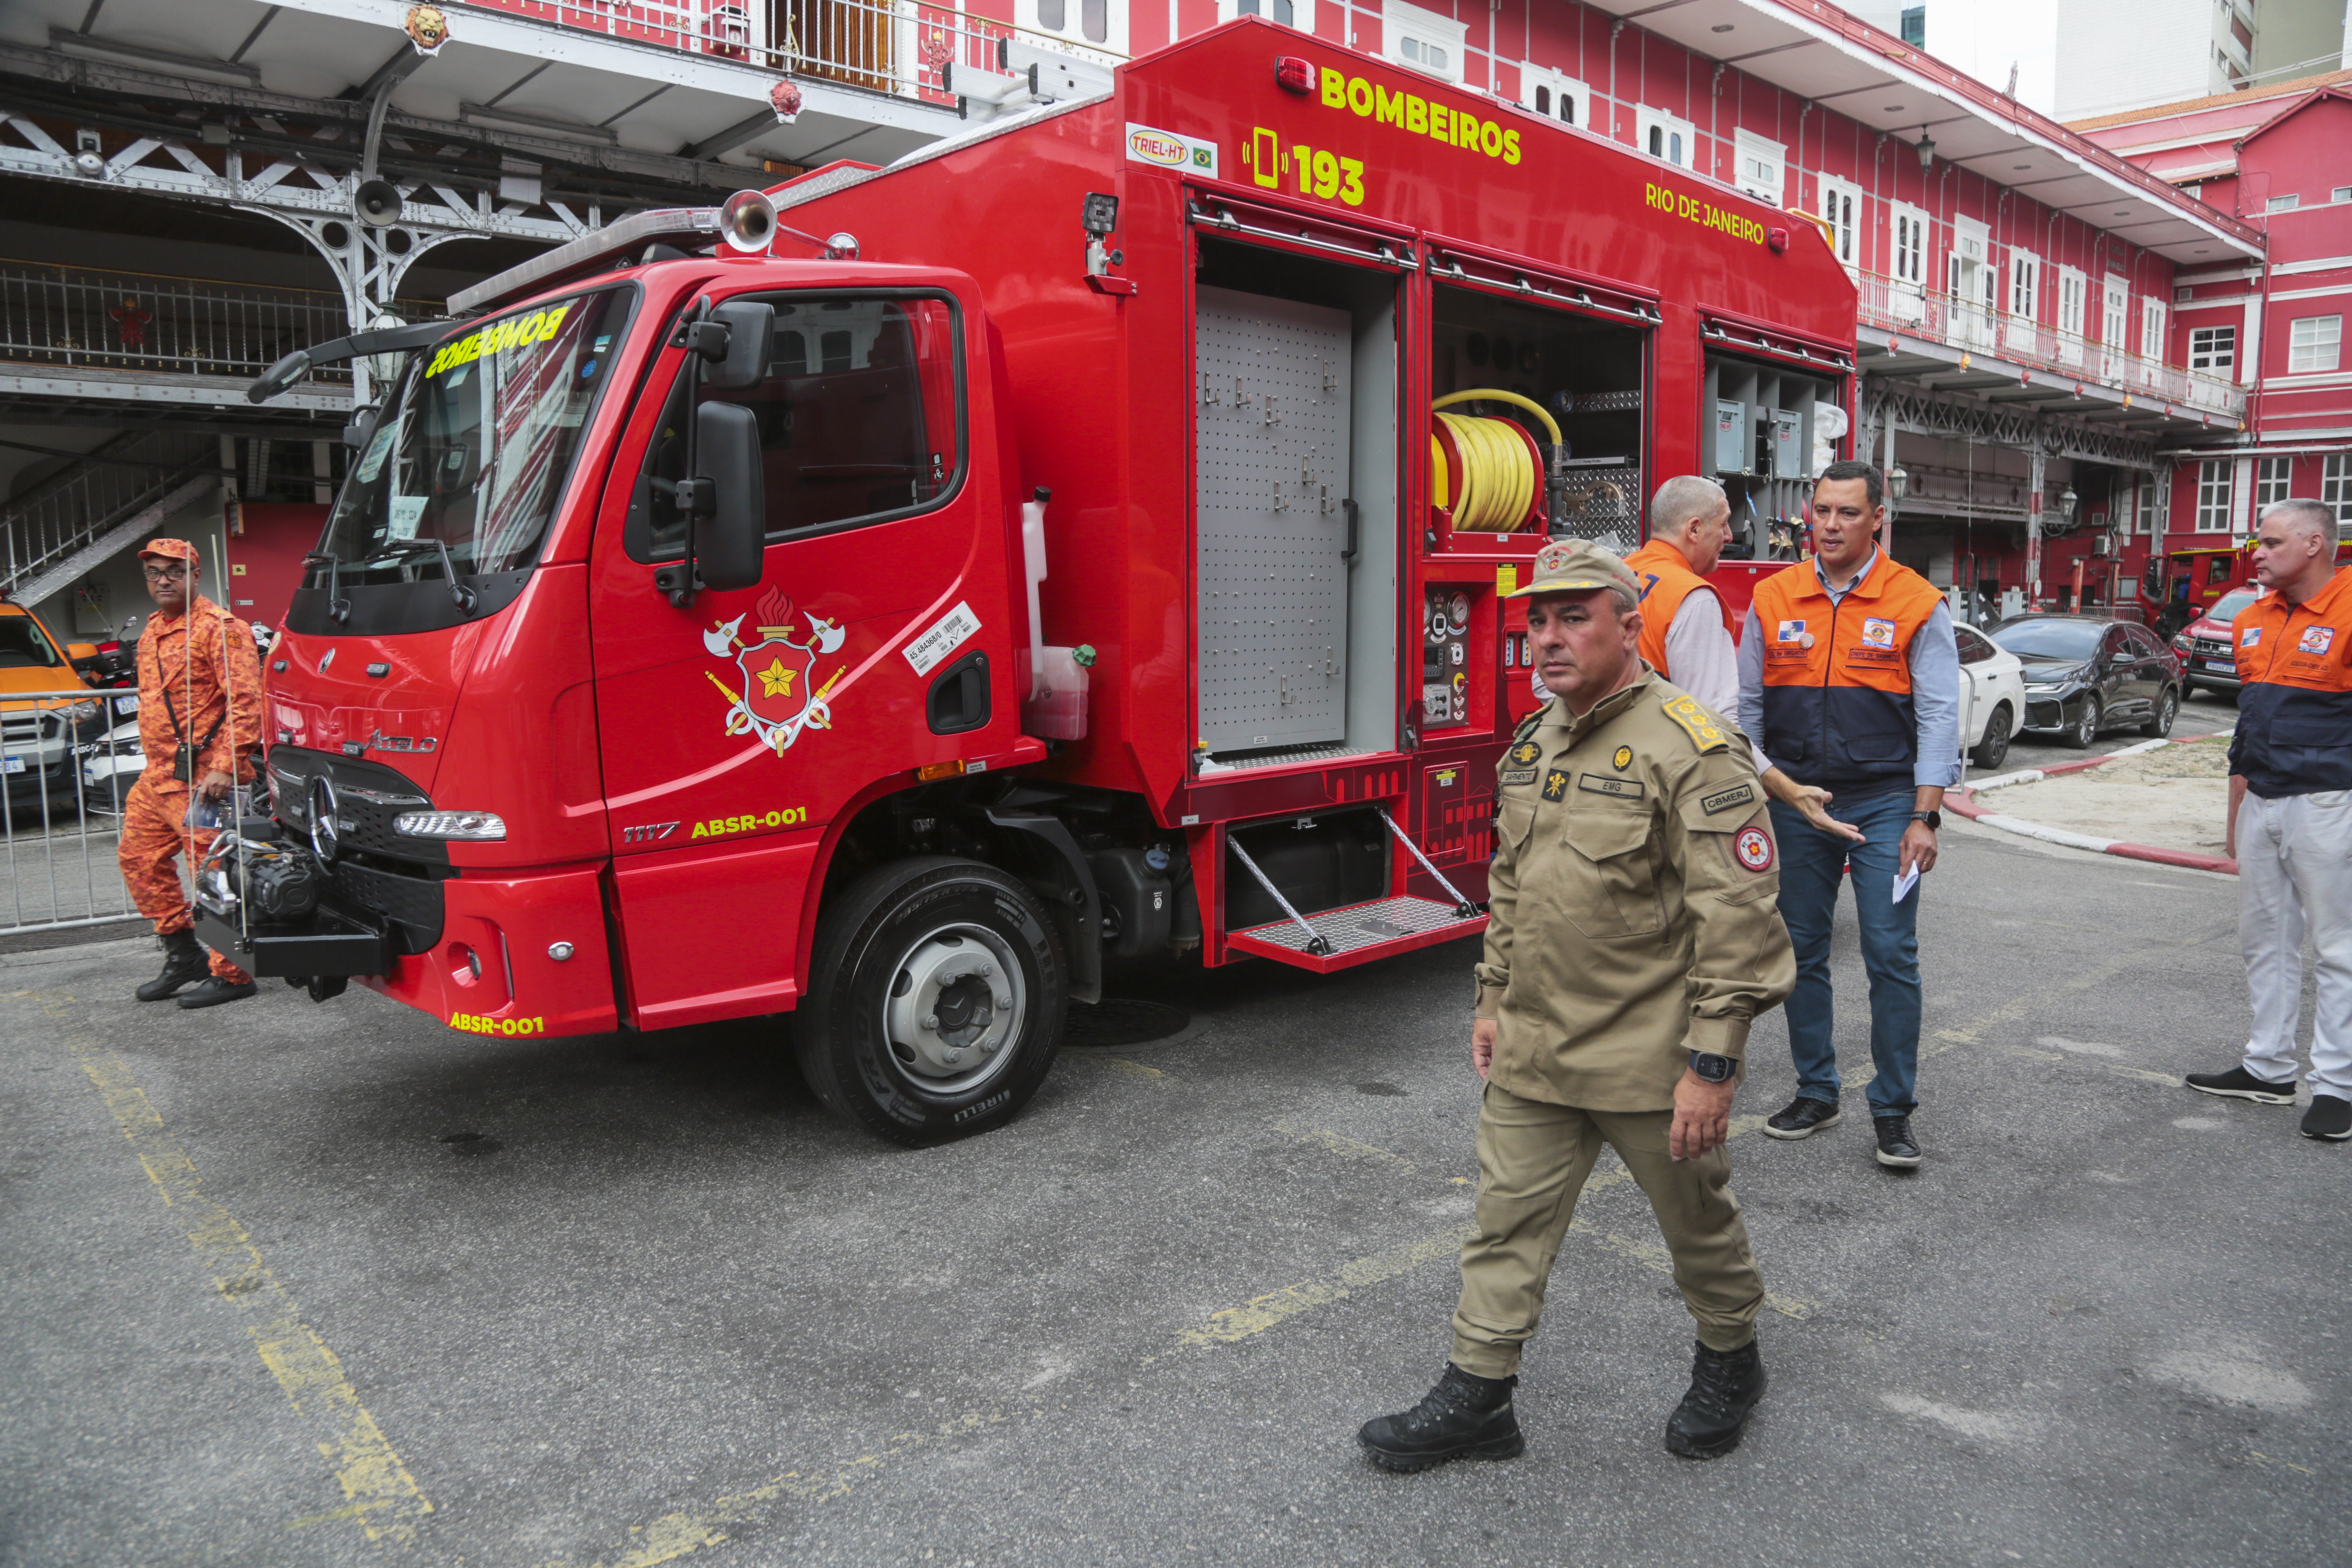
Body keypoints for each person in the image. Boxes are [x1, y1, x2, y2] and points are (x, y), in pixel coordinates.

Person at [1358, 539, 1795, 1470]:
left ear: (1627, 624)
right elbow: (1510, 887)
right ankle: (1479, 1393)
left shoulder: (1690, 745)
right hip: (1535, 1048)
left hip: (1649, 1058)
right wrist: (1490, 999)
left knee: (1695, 1225)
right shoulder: (1534, 740)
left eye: (1571, 617)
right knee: (1501, 1222)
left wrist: (1710, 1065)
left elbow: (1738, 917)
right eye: (1535, 620)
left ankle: (1730, 1357)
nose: (1546, 638)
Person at [1736, 461, 1959, 1169]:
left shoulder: (1917, 600)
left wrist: (1927, 816)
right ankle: (1817, 1090)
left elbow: (1939, 715)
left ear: (1876, 521)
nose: (1829, 526)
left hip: (1888, 803)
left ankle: (1893, 1110)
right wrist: (1771, 786)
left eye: (1845, 514)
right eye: (1821, 512)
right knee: (1799, 951)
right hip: (1798, 802)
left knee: (1891, 954)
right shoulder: (1772, 597)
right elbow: (1745, 712)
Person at [2186, 498, 2352, 1141]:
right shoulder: (2253, 617)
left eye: (2272, 542)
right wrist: (2236, 810)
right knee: (2266, 940)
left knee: (2337, 949)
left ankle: (2337, 1087)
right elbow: (2248, 720)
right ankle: (2269, 1067)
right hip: (2262, 800)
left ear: (2314, 545)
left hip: (2329, 802)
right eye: (2257, 542)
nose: (2257, 552)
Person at [121, 538, 264, 1009]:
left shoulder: (222, 629)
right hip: (159, 777)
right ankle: (183, 955)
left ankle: (233, 974)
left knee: (213, 874)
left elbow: (246, 702)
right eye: (154, 573)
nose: (163, 581)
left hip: (204, 780)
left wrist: (225, 766)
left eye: (174, 572)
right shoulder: (153, 630)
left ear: (195, 576)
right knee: (139, 860)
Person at [1624, 475, 1740, 716]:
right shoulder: (1694, 598)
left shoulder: (1609, 576)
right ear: (1694, 529)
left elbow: (1547, 682)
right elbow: (1713, 715)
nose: (1728, 536)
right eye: (1723, 524)